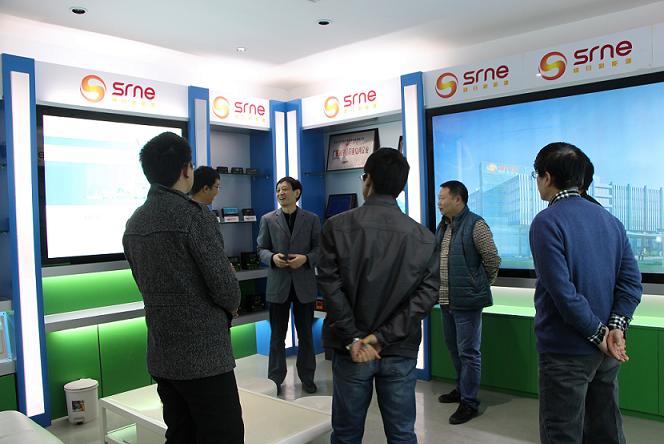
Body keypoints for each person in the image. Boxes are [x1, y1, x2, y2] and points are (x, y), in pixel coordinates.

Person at [122, 132, 243, 443]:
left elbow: (142, 281)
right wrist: (232, 302)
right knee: (224, 435)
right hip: (205, 356)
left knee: (180, 433)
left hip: (162, 352)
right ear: (186, 169)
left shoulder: (134, 223)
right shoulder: (195, 217)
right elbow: (225, 288)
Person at [318, 148, 439, 443]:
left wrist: (355, 337)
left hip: (352, 349)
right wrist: (382, 337)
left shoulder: (336, 226)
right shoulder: (424, 237)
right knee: (402, 434)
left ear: (367, 179)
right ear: (401, 186)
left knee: (346, 433)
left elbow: (330, 287)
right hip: (399, 348)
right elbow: (426, 296)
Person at [530, 142, 642, 444]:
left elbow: (563, 294)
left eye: (537, 175)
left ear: (547, 177)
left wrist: (599, 334)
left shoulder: (546, 221)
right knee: (607, 431)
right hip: (607, 353)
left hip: (566, 352)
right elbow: (631, 282)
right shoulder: (611, 221)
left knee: (562, 434)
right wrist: (615, 328)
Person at [435, 180, 500, 424]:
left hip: (467, 302)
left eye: (443, 198)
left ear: (458, 199)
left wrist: (478, 286)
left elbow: (492, 259)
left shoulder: (476, 224)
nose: (439, 203)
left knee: (469, 353)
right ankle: (462, 389)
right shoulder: (443, 225)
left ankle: (469, 402)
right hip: (445, 299)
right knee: (454, 349)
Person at [256, 177, 321, 395]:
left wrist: (306, 259)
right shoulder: (268, 219)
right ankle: (275, 379)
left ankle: (308, 378)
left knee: (306, 336)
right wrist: (272, 258)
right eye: (278, 190)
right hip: (278, 285)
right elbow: (261, 249)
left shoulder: (311, 219)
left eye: (285, 189)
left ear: (297, 193)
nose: (281, 193)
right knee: (277, 337)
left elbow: (320, 249)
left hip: (304, 285)